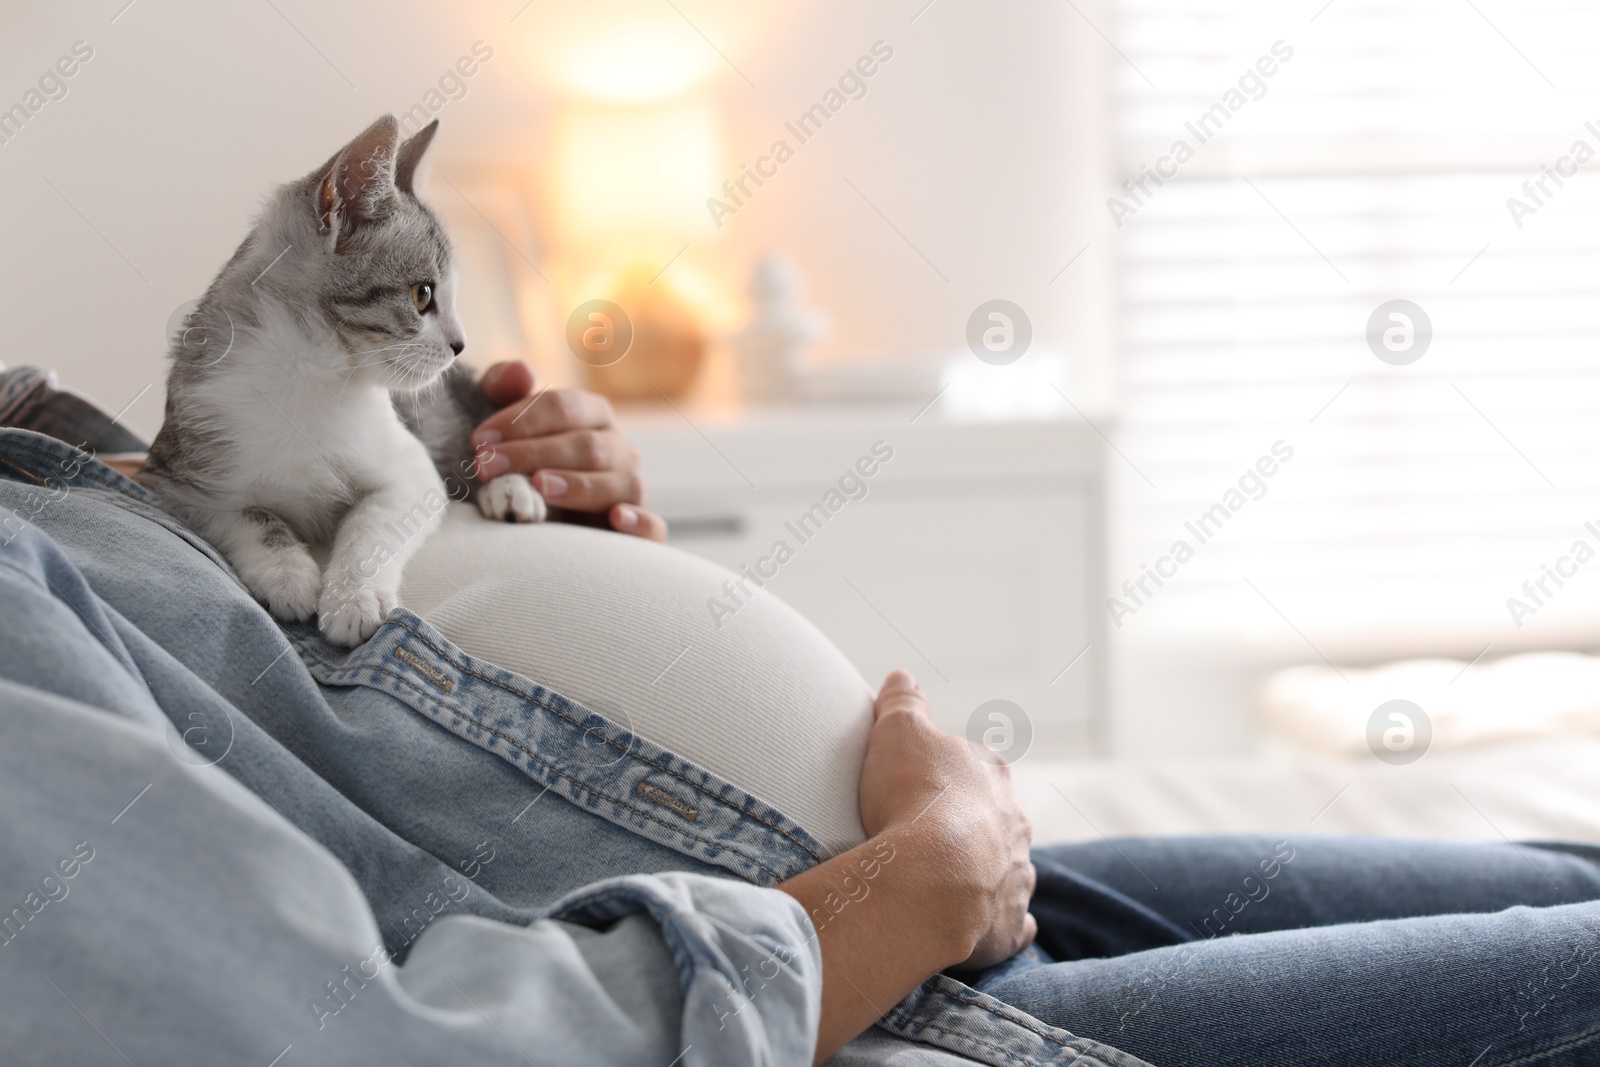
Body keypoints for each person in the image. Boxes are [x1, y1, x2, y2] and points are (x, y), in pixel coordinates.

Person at [3, 361, 1599, 1067]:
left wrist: (474, 503)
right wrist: (918, 884)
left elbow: (277, 699)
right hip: (862, 1003)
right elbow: (365, 1049)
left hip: (897, 914)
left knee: (1567, 877)